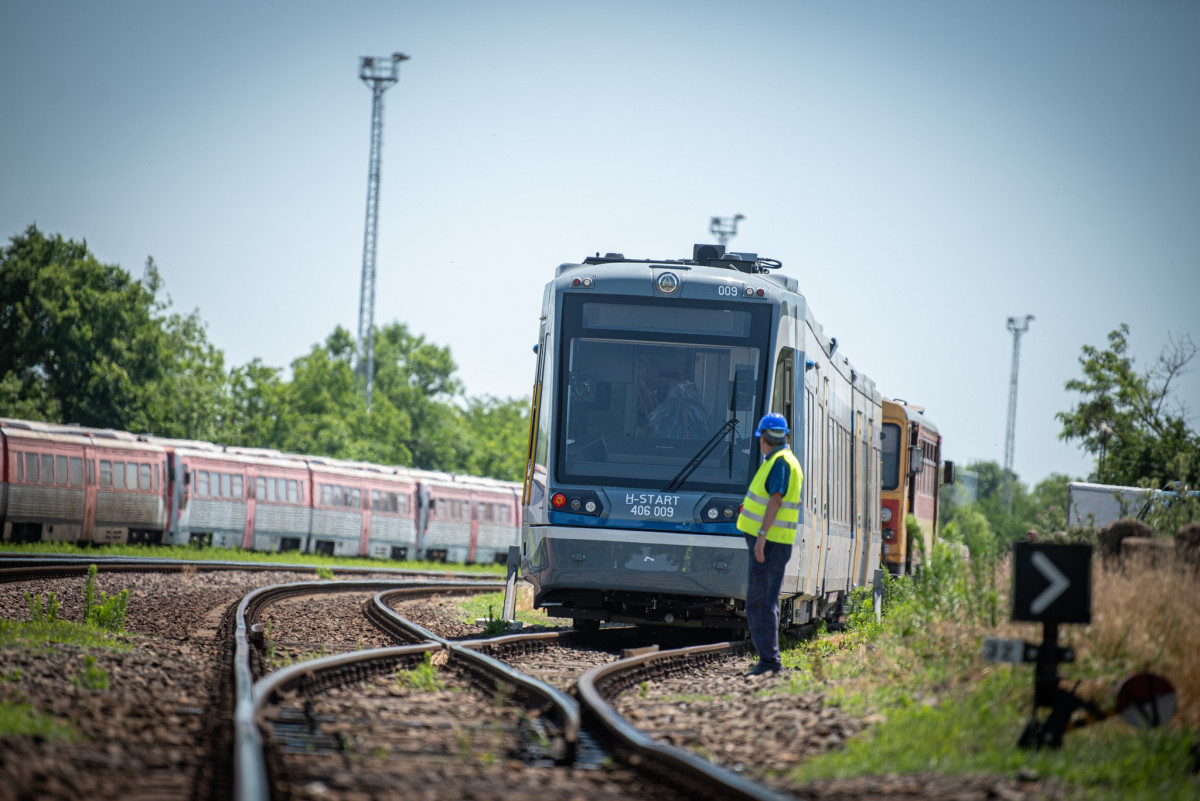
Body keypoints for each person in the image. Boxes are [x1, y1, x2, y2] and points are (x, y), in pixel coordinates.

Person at [735, 412, 803, 677]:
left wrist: (761, 537)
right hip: (774, 541)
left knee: (760, 601)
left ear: (764, 438)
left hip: (771, 542)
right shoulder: (784, 461)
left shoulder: (780, 462)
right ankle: (768, 660)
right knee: (763, 600)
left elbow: (775, 500)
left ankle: (770, 662)